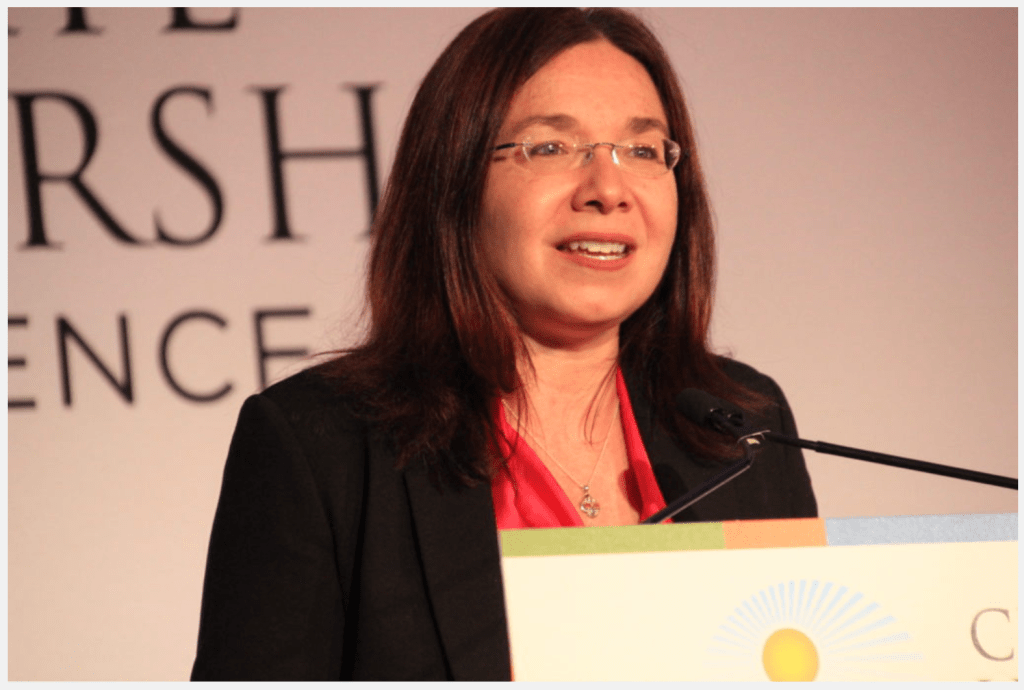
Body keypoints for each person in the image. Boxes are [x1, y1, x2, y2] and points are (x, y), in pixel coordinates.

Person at [190, 7, 816, 681]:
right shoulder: (321, 446)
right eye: (550, 148)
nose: (608, 189)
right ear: (456, 183)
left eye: (641, 150)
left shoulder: (744, 424)